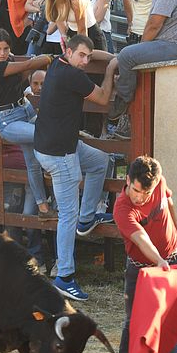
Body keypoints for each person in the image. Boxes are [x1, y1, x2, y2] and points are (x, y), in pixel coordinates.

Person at [95, 155, 177, 353]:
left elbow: (168, 202)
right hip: (141, 267)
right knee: (132, 324)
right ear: (127, 181)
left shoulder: (158, 183)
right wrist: (158, 260)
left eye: (146, 193)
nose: (141, 198)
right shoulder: (122, 208)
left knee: (170, 328)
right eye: (136, 191)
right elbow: (141, 238)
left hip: (172, 261)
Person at [33, 34, 117, 301]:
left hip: (54, 145)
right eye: (81, 55)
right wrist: (112, 69)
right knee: (67, 215)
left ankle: (88, 217)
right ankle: (65, 277)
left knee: (100, 161)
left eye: (88, 57)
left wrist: (112, 57)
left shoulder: (58, 64)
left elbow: (89, 51)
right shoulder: (72, 75)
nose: (85, 61)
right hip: (60, 154)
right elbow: (103, 98)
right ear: (68, 52)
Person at [0, 28, 53, 219]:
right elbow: (28, 66)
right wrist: (48, 58)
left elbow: (23, 75)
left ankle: (43, 208)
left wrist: (37, 62)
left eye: (6, 48)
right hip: (7, 120)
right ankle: (50, 168)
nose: (2, 53)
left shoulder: (9, 60)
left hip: (25, 108)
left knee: (32, 163)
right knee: (44, 134)